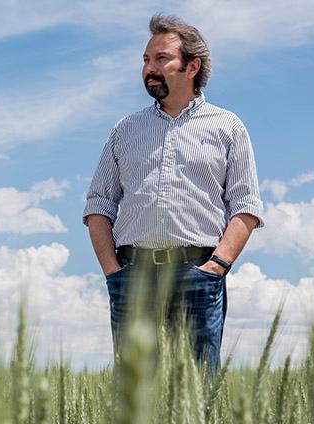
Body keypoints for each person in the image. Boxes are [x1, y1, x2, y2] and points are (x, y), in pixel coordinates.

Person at [81, 13, 265, 370]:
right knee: (137, 404)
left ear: (192, 66)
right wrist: (113, 273)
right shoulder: (125, 129)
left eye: (161, 59)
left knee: (196, 398)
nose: (149, 68)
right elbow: (98, 205)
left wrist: (217, 266)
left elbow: (245, 206)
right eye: (146, 60)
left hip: (197, 274)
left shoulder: (227, 127)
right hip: (133, 275)